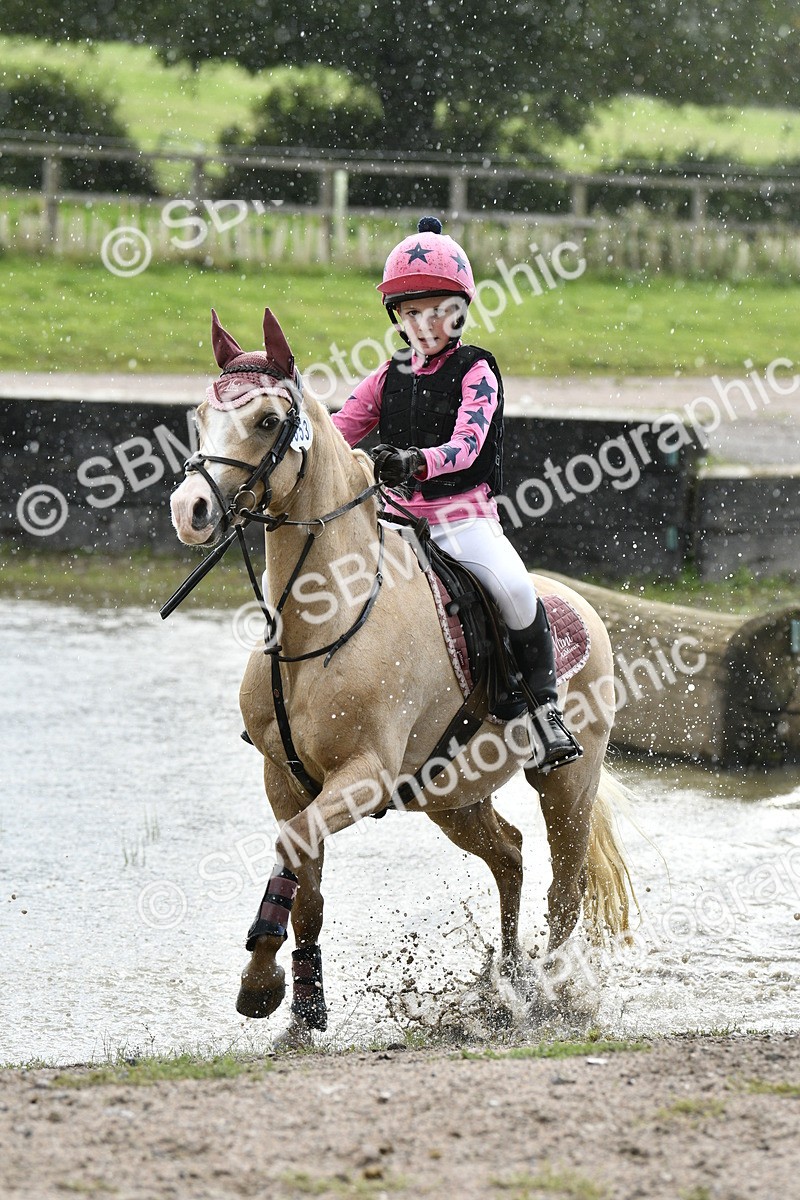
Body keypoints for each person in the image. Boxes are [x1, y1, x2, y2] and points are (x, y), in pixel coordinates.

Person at [330, 216, 581, 771]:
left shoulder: (477, 370)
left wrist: (416, 461)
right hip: (393, 522)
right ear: (397, 319)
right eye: (411, 313)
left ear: (460, 311)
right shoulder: (385, 378)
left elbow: (467, 446)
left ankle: (544, 714)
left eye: (437, 311)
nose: (424, 324)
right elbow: (338, 431)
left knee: (515, 589)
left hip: (462, 520)